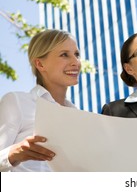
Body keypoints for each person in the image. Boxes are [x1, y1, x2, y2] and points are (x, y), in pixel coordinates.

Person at [0, 29, 81, 172]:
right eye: (64, 55)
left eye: (77, 54)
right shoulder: (17, 102)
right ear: (40, 64)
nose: (76, 62)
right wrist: (13, 154)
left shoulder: (79, 116)